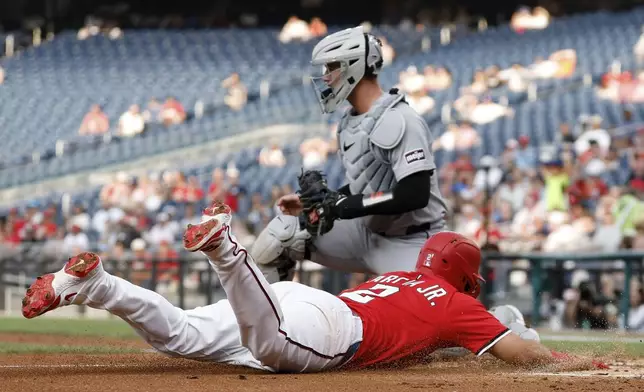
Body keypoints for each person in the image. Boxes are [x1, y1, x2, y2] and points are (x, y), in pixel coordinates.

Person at [21, 202, 606, 373]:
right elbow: (521, 352)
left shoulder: (401, 275)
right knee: (273, 348)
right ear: (463, 278)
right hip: (327, 330)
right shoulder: (455, 303)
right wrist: (576, 364)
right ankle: (227, 249)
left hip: (309, 301)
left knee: (177, 333)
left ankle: (95, 285)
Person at [251, 26, 448, 281]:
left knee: (427, 319)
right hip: (365, 234)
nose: (326, 78)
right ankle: (277, 319)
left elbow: (414, 193)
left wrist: (344, 205)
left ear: (352, 67)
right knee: (281, 237)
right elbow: (366, 185)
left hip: (413, 242)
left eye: (331, 68)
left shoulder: (400, 119)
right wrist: (322, 201)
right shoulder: (349, 122)